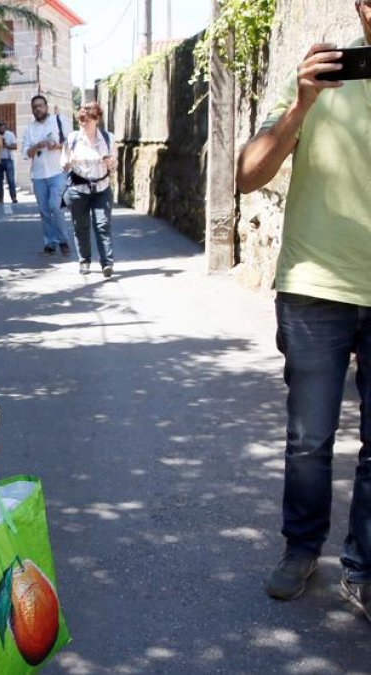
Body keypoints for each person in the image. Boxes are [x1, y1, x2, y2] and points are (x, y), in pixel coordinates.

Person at [236, 3, 371, 622]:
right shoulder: (321, 75)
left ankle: (363, 567)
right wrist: (301, 104)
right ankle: (301, 549)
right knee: (309, 439)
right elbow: (247, 174)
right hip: (316, 285)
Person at [61, 101, 116, 278]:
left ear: (97, 119)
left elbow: (114, 166)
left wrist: (110, 163)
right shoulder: (72, 139)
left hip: (102, 187)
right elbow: (63, 164)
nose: (83, 123)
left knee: (102, 225)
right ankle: (84, 260)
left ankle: (107, 263)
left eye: (87, 120)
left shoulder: (108, 138)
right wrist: (70, 161)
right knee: (81, 227)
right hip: (78, 189)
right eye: (81, 119)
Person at [22, 95, 71, 256]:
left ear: (46, 106)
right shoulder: (30, 129)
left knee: (54, 206)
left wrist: (56, 146)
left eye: (40, 106)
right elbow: (25, 153)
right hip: (38, 175)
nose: (38, 109)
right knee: (44, 210)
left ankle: (63, 240)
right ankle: (50, 242)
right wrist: (36, 146)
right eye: (35, 106)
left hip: (57, 171)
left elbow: (71, 143)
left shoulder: (59, 120)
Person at [0, 121, 18, 203]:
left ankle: (13, 197)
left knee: (11, 180)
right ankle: (0, 198)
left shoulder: (10, 134)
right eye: (0, 127)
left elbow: (15, 146)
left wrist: (6, 145)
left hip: (9, 159)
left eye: (3, 127)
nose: (1, 129)